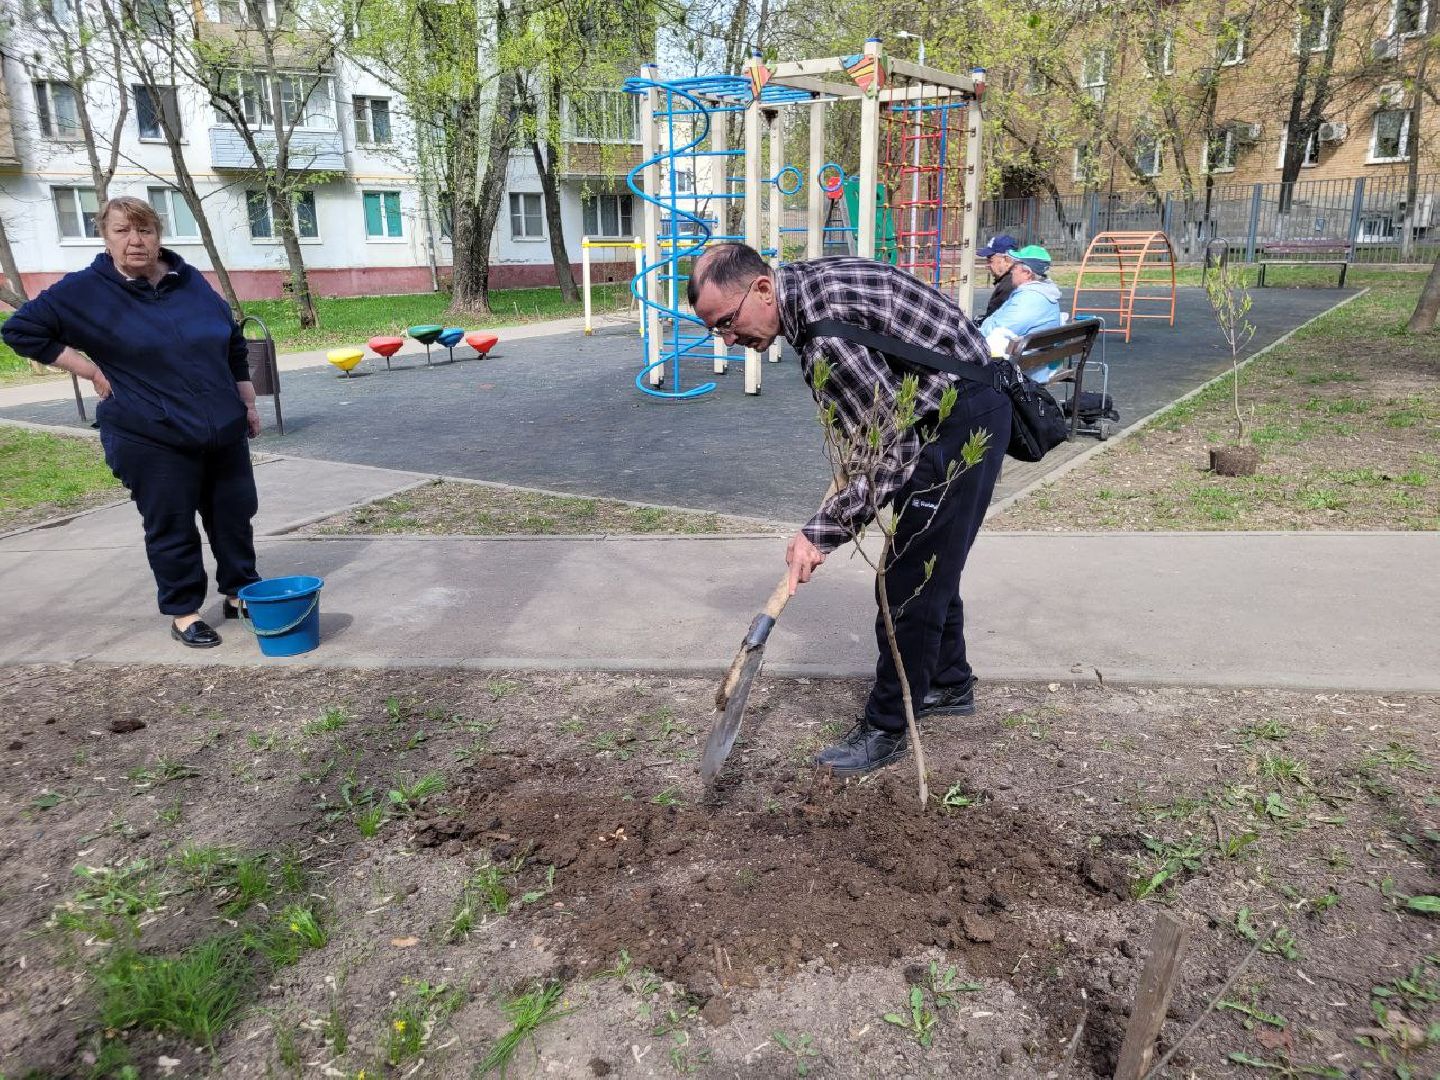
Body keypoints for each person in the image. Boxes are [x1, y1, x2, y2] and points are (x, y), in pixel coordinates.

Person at [688, 243, 1011, 777]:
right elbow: (880, 421)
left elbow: (892, 448)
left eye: (726, 321)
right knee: (929, 560)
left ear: (763, 289)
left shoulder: (825, 338)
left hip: (959, 420)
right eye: (714, 330)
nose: (727, 338)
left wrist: (821, 533)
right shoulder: (808, 285)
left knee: (908, 583)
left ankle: (887, 727)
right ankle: (949, 681)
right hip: (955, 401)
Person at [2, 196, 262, 648]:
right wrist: (90, 369)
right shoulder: (84, 291)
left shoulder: (189, 280)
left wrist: (247, 399)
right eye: (123, 231)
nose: (136, 241)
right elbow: (20, 330)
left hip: (221, 425)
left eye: (145, 230)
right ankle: (183, 612)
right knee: (172, 523)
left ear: (159, 235)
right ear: (106, 236)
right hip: (149, 433)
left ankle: (240, 593)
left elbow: (230, 341)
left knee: (233, 515)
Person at [977, 244, 1066, 382]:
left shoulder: (1029, 299)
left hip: (1026, 371)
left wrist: (976, 330)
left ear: (1027, 273)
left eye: (1015, 267)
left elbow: (998, 329)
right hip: (1035, 362)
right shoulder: (1042, 294)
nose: (1011, 271)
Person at [977, 234, 1021, 321]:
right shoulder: (1013, 279)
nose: (987, 265)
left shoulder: (1009, 285)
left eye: (990, 260)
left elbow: (991, 321)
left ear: (1006, 260)